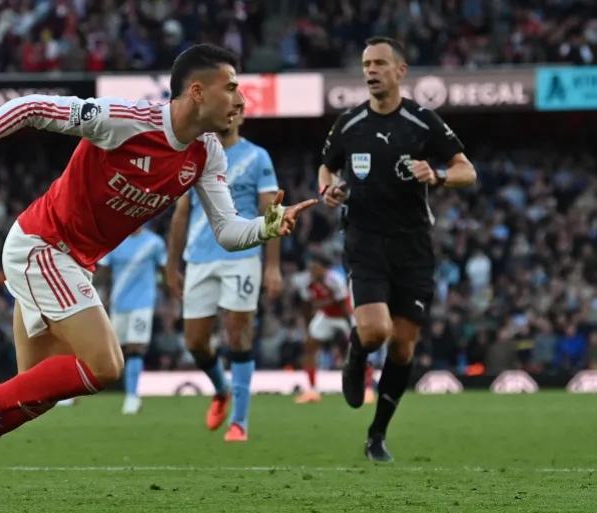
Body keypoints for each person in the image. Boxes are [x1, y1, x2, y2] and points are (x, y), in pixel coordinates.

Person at [0, 43, 316, 504]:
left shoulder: (207, 154)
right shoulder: (127, 120)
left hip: (71, 260)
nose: (241, 99)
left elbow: (228, 230)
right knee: (105, 365)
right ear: (197, 91)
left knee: (32, 395)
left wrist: (266, 227)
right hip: (42, 244)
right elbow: (32, 106)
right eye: (231, 87)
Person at [318, 37, 476, 462]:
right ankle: (356, 357)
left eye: (380, 64)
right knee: (375, 332)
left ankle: (376, 436)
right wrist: (328, 189)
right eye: (367, 64)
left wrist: (437, 174)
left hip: (413, 247)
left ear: (400, 70)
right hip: (365, 240)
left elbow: (467, 170)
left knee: (404, 347)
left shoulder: (422, 122)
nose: (371, 71)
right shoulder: (350, 123)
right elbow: (327, 166)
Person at [166, 106, 281, 442]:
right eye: (227, 108)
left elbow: (270, 213)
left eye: (238, 110)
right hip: (200, 257)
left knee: (237, 334)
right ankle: (221, 387)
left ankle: (240, 423)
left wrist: (273, 266)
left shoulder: (258, 157)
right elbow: (181, 212)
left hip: (243, 256)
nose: (230, 113)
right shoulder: (194, 155)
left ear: (243, 117)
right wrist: (172, 265)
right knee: (195, 343)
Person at [98, 225, 167, 414]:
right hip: (118, 303)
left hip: (143, 303)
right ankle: (72, 392)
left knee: (136, 346)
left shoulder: (154, 243)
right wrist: (101, 298)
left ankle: (132, 396)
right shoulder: (114, 241)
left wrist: (169, 300)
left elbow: (164, 269)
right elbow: (104, 272)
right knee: (111, 352)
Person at [291, 252, 361, 404]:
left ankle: (366, 388)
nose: (312, 271)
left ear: (324, 269)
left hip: (344, 315)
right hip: (326, 316)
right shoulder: (305, 281)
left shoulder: (335, 279)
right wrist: (308, 327)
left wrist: (352, 328)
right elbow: (306, 305)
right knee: (309, 346)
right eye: (311, 268)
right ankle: (312, 390)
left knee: (360, 348)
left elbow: (343, 304)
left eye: (315, 268)